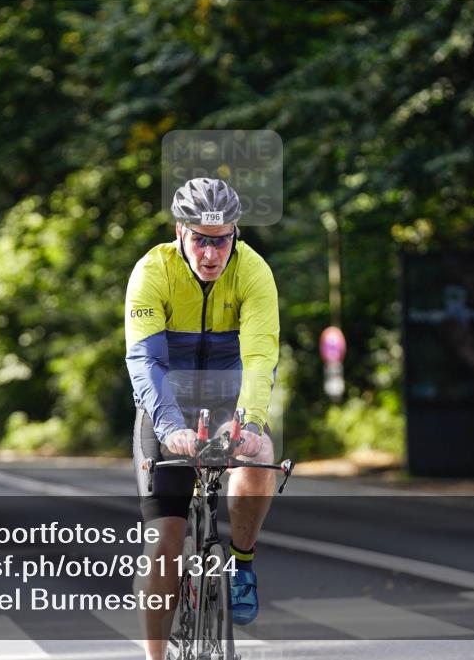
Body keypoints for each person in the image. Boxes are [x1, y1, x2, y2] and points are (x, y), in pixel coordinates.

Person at [126, 177, 279, 658]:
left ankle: (242, 562)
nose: (212, 253)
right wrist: (171, 429)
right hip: (167, 405)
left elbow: (259, 356)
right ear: (180, 232)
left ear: (235, 234)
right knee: (163, 542)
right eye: (201, 239)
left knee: (261, 461)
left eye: (222, 239)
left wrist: (250, 424)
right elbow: (146, 361)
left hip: (229, 402)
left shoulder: (253, 272)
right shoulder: (153, 271)